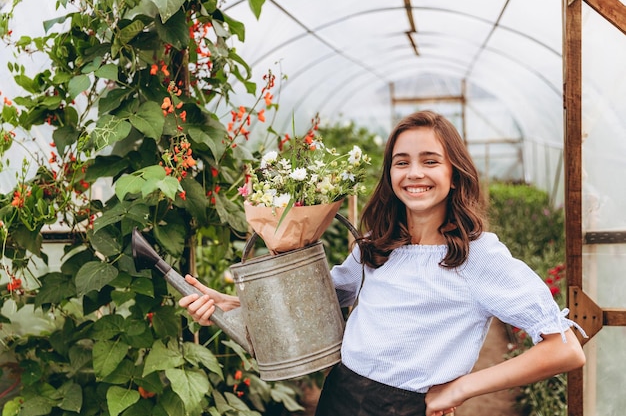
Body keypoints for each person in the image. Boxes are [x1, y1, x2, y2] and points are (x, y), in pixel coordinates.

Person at [179, 110, 586, 416]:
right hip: (340, 394)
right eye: (402, 161)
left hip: (408, 407)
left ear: (455, 174)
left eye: (430, 161)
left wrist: (460, 389)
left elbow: (564, 351)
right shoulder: (374, 245)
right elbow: (314, 306)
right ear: (389, 173)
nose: (414, 173)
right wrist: (233, 304)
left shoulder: (477, 256)